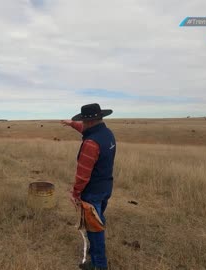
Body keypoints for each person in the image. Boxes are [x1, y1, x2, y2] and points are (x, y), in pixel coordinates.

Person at [61, 103, 116, 270]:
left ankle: (99, 265)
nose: (82, 124)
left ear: (90, 122)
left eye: (83, 121)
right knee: (98, 218)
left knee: (94, 228)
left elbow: (83, 174)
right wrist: (71, 123)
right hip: (105, 186)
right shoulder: (106, 134)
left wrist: (75, 194)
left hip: (92, 192)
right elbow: (85, 130)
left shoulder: (91, 143)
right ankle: (96, 254)